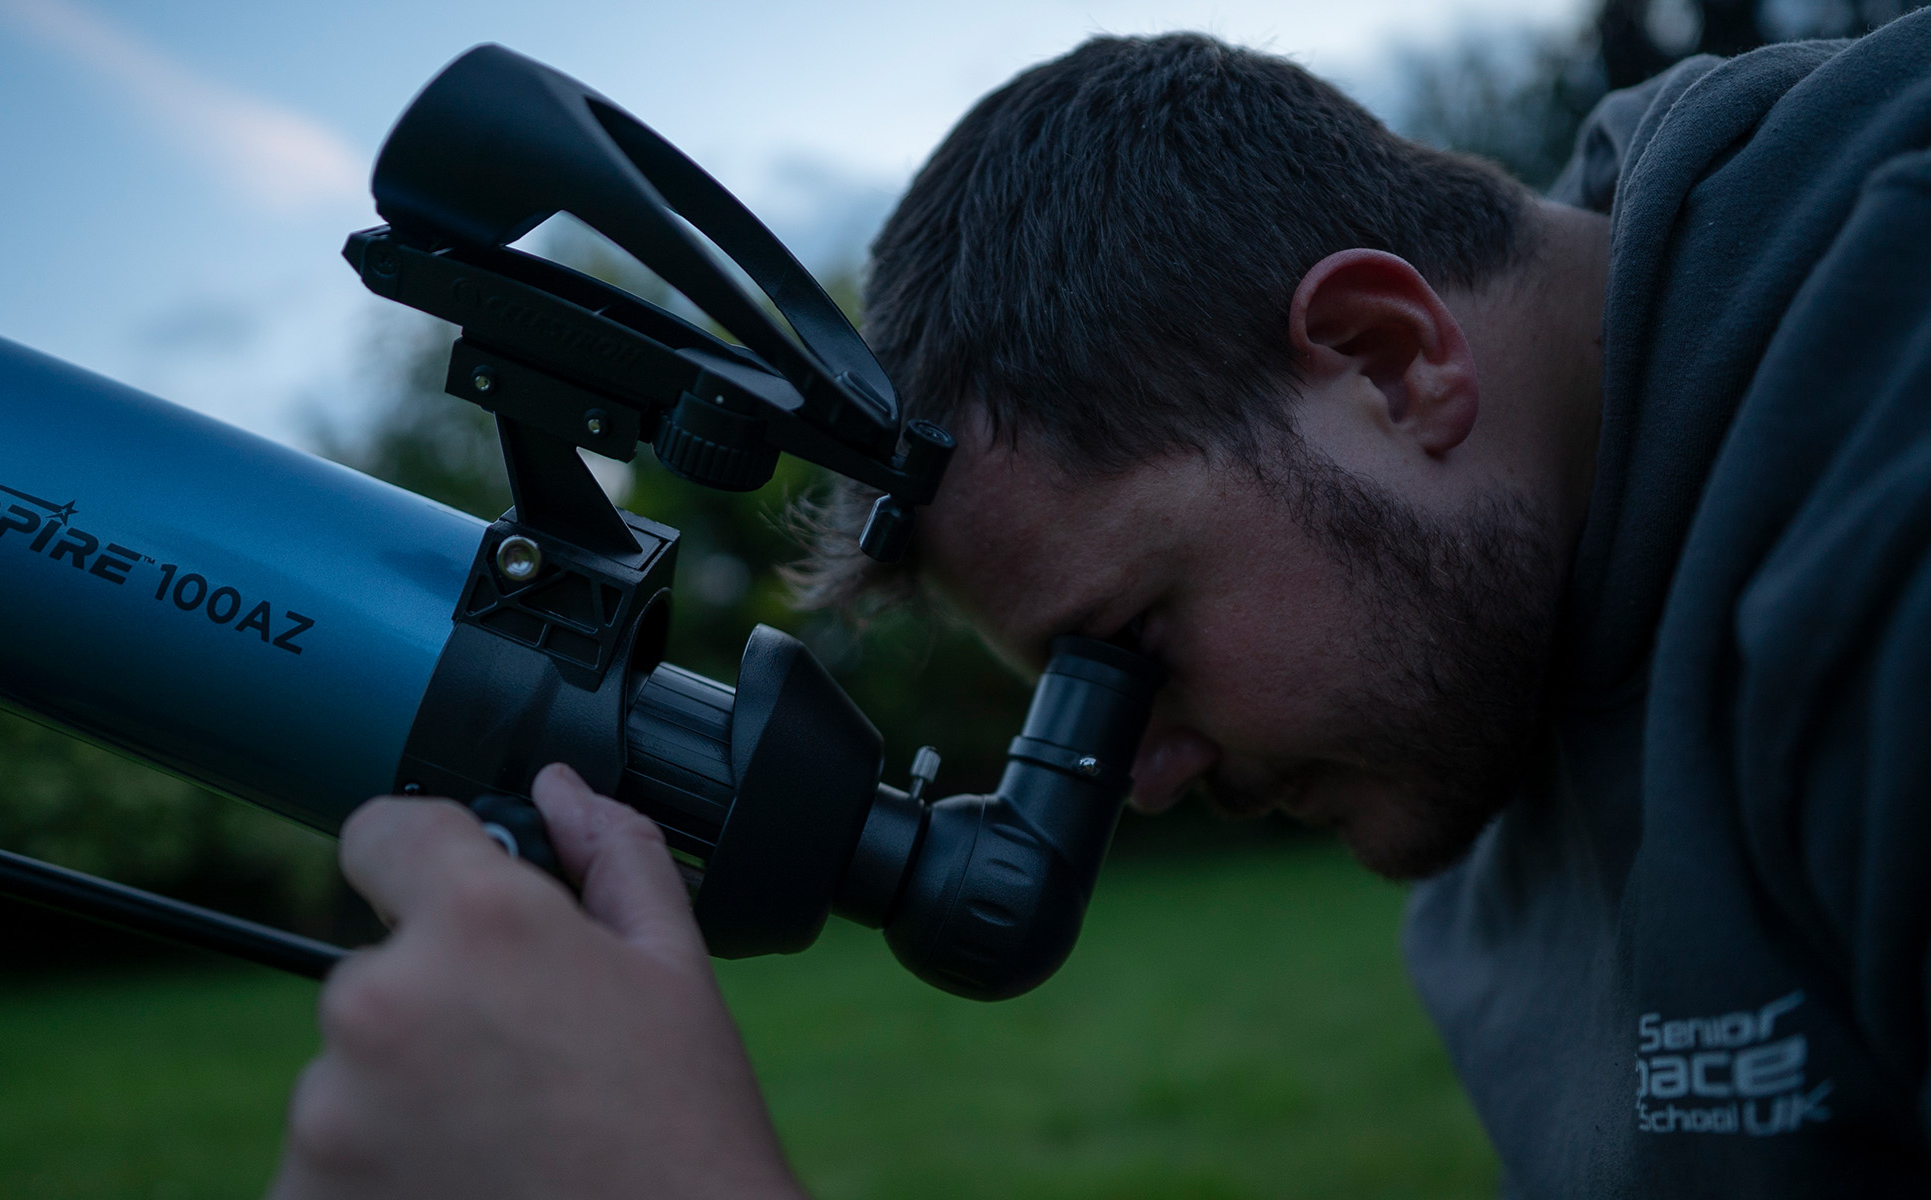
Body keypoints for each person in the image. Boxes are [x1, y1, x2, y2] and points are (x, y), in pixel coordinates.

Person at [268, 15, 1931, 1198]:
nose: (1130, 778)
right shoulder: (1479, 692)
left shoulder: (1885, 465)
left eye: (1124, 654)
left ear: (1386, 358)